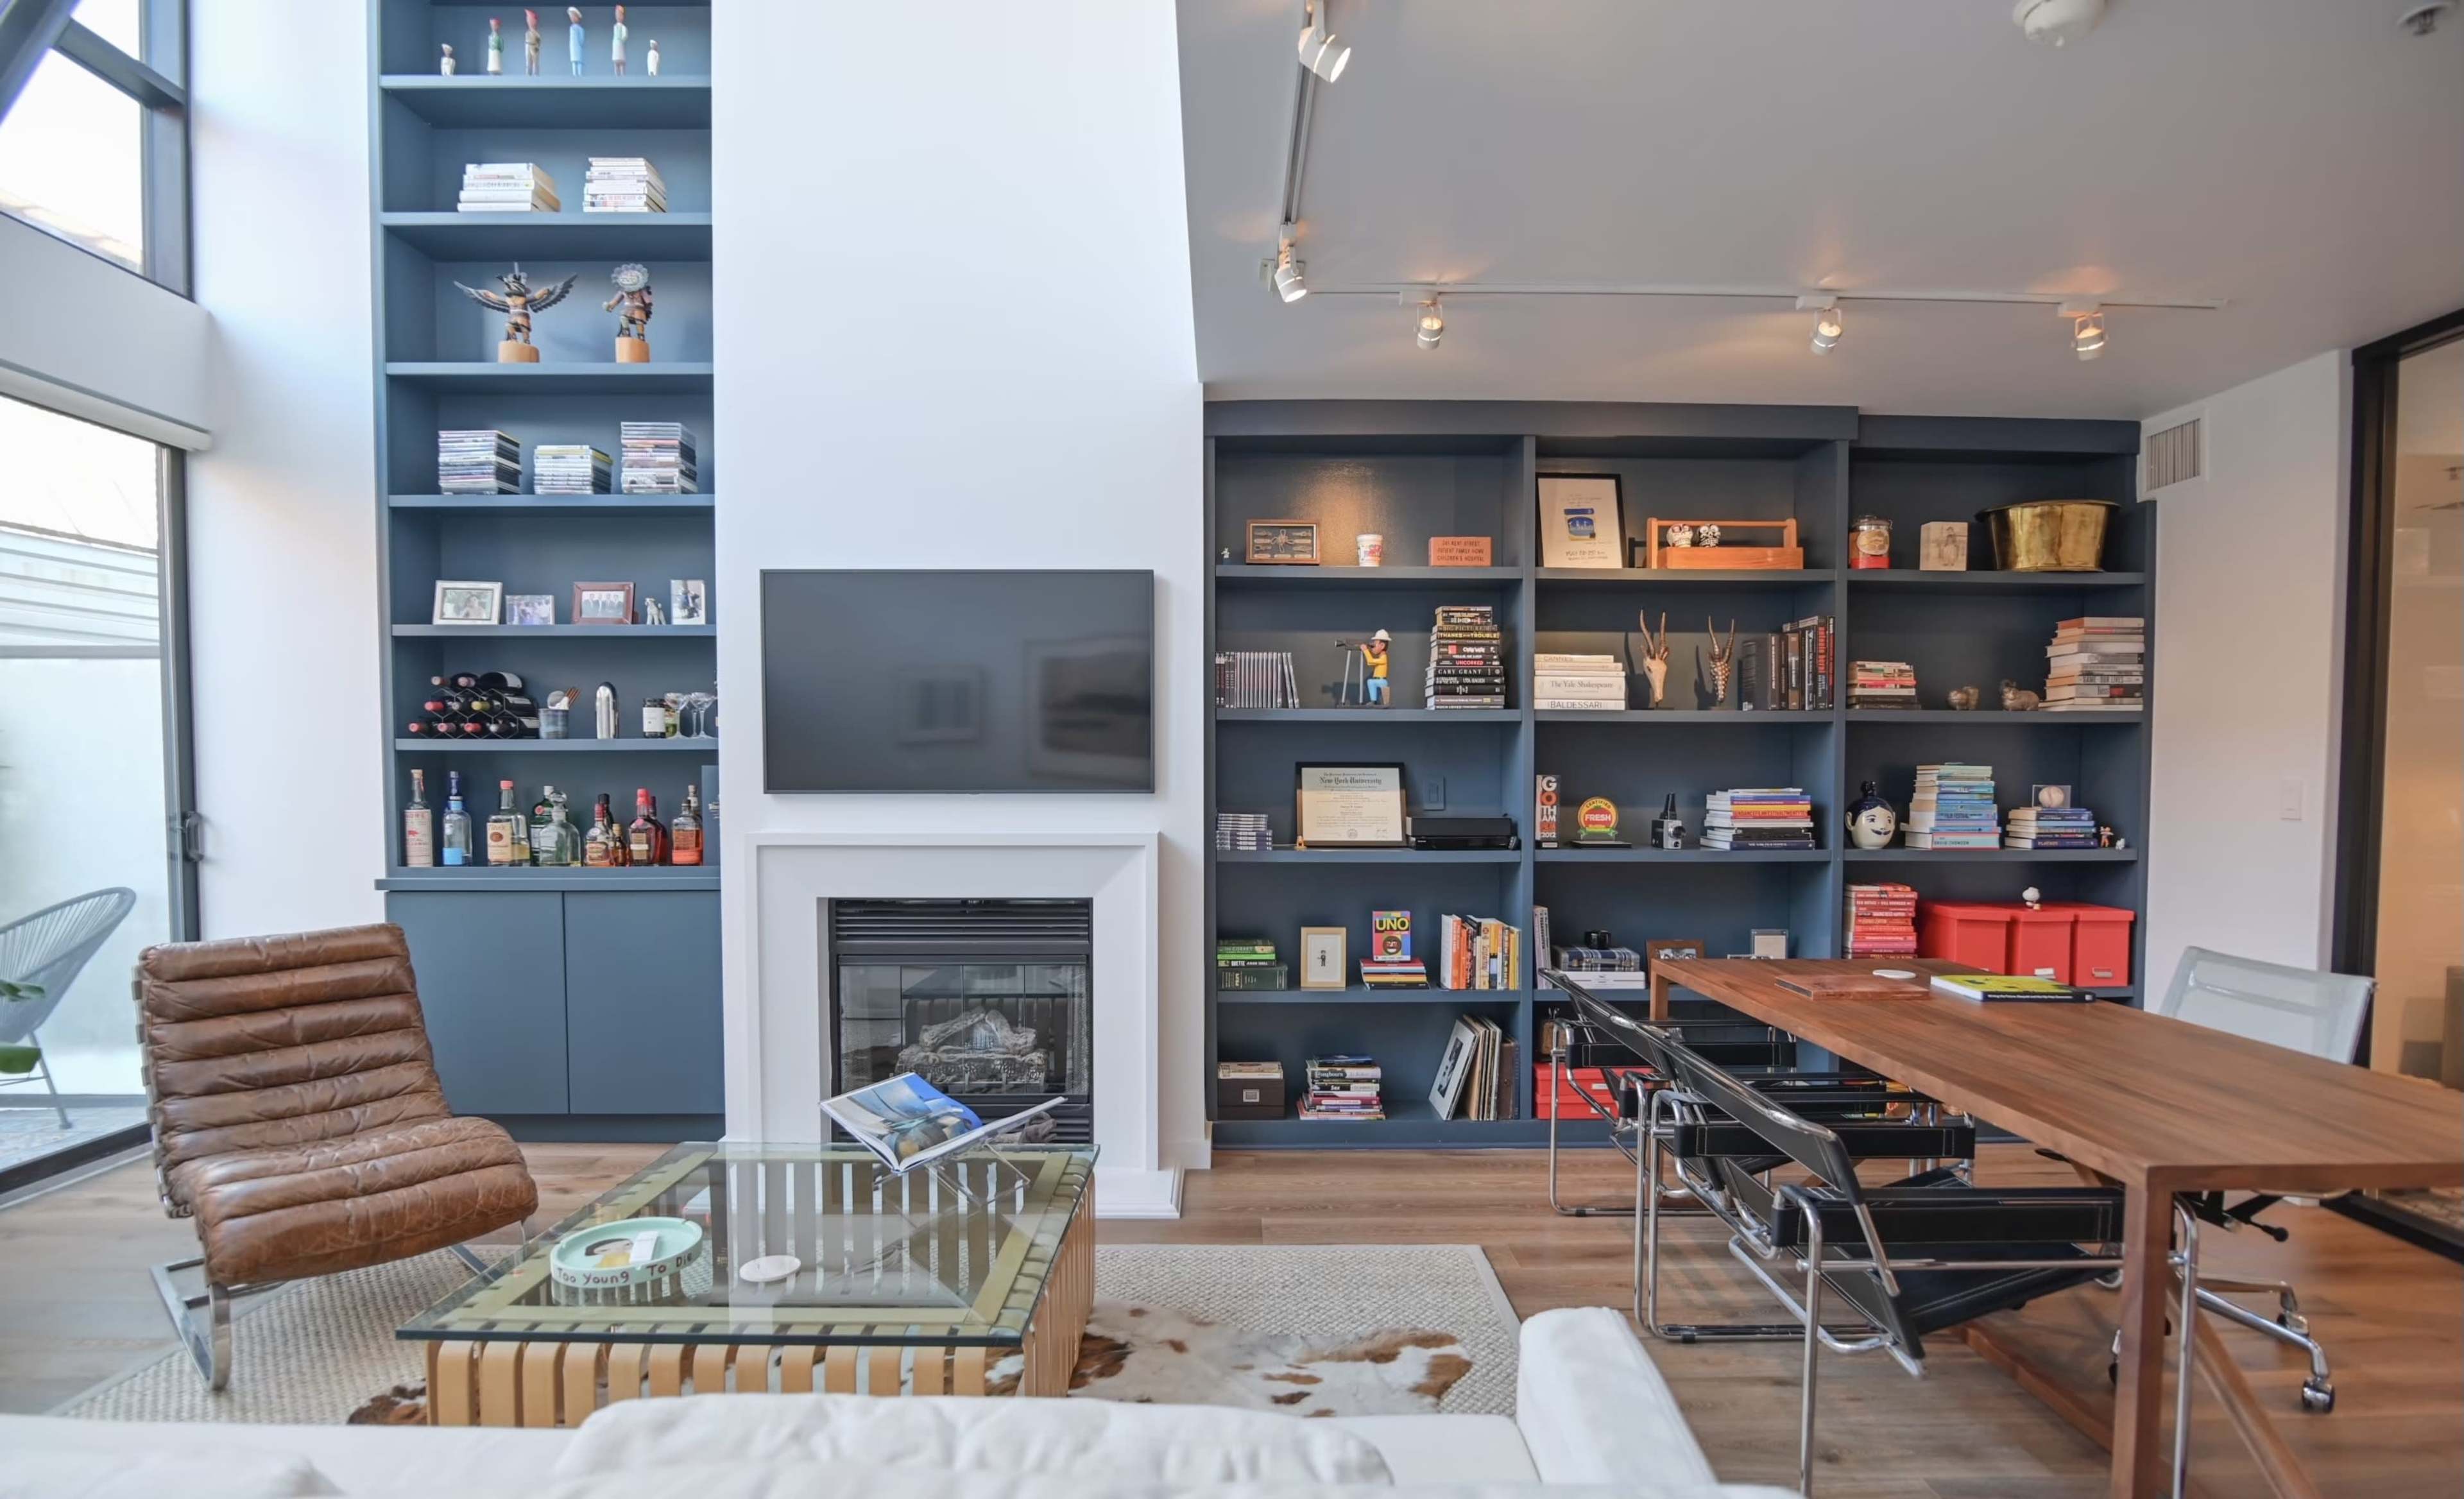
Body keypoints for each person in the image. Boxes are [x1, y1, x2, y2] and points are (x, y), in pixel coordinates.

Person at [1360, 628, 1391, 707]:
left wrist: (1366, 651)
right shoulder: (1381, 658)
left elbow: (1370, 662)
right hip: (1378, 680)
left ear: (1382, 645)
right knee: (1371, 682)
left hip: (1382, 681)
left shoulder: (1384, 658)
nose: (1373, 646)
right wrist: (1370, 650)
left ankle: (1384, 703)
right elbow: (1372, 662)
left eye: (1375, 644)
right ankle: (1374, 702)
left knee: (1373, 683)